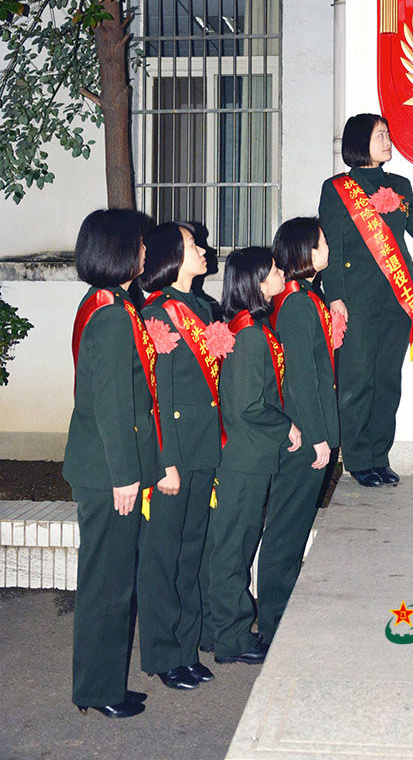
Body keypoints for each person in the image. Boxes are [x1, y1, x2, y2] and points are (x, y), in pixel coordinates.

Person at [63, 209, 165, 718]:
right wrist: (126, 475)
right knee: (107, 585)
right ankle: (99, 691)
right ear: (119, 250)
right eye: (140, 244)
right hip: (108, 473)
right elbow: (111, 404)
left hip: (106, 467)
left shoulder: (108, 303)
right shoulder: (110, 313)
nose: (146, 251)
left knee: (110, 580)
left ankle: (101, 684)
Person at [318, 113, 413, 487]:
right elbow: (332, 246)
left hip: (397, 299)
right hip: (357, 301)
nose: (388, 140)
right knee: (357, 382)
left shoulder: (400, 185)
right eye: (381, 135)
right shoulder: (337, 189)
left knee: (386, 381)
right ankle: (360, 460)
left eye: (388, 134)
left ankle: (380, 456)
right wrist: (337, 298)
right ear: (360, 141)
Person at [137, 222, 222, 690]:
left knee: (193, 554)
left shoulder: (203, 308)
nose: (203, 250)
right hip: (175, 455)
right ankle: (163, 655)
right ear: (172, 254)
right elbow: (157, 393)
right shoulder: (157, 312)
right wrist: (165, 460)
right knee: (162, 558)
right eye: (193, 245)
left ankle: (187, 649)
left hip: (204, 447)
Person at [208, 247, 301, 664]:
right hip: (243, 460)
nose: (282, 273)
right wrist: (287, 427)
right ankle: (232, 640)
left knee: (234, 546)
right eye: (275, 270)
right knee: (233, 550)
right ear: (257, 282)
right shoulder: (248, 336)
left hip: (251, 457)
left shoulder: (253, 328)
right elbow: (248, 406)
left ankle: (220, 632)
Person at [260, 217, 340, 643]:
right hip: (305, 441)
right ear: (305, 252)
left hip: (313, 434)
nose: (327, 246)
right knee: (285, 531)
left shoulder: (308, 297)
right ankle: (273, 623)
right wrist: (318, 436)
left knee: (293, 528)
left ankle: (282, 617)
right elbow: (302, 380)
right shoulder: (294, 304)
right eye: (322, 241)